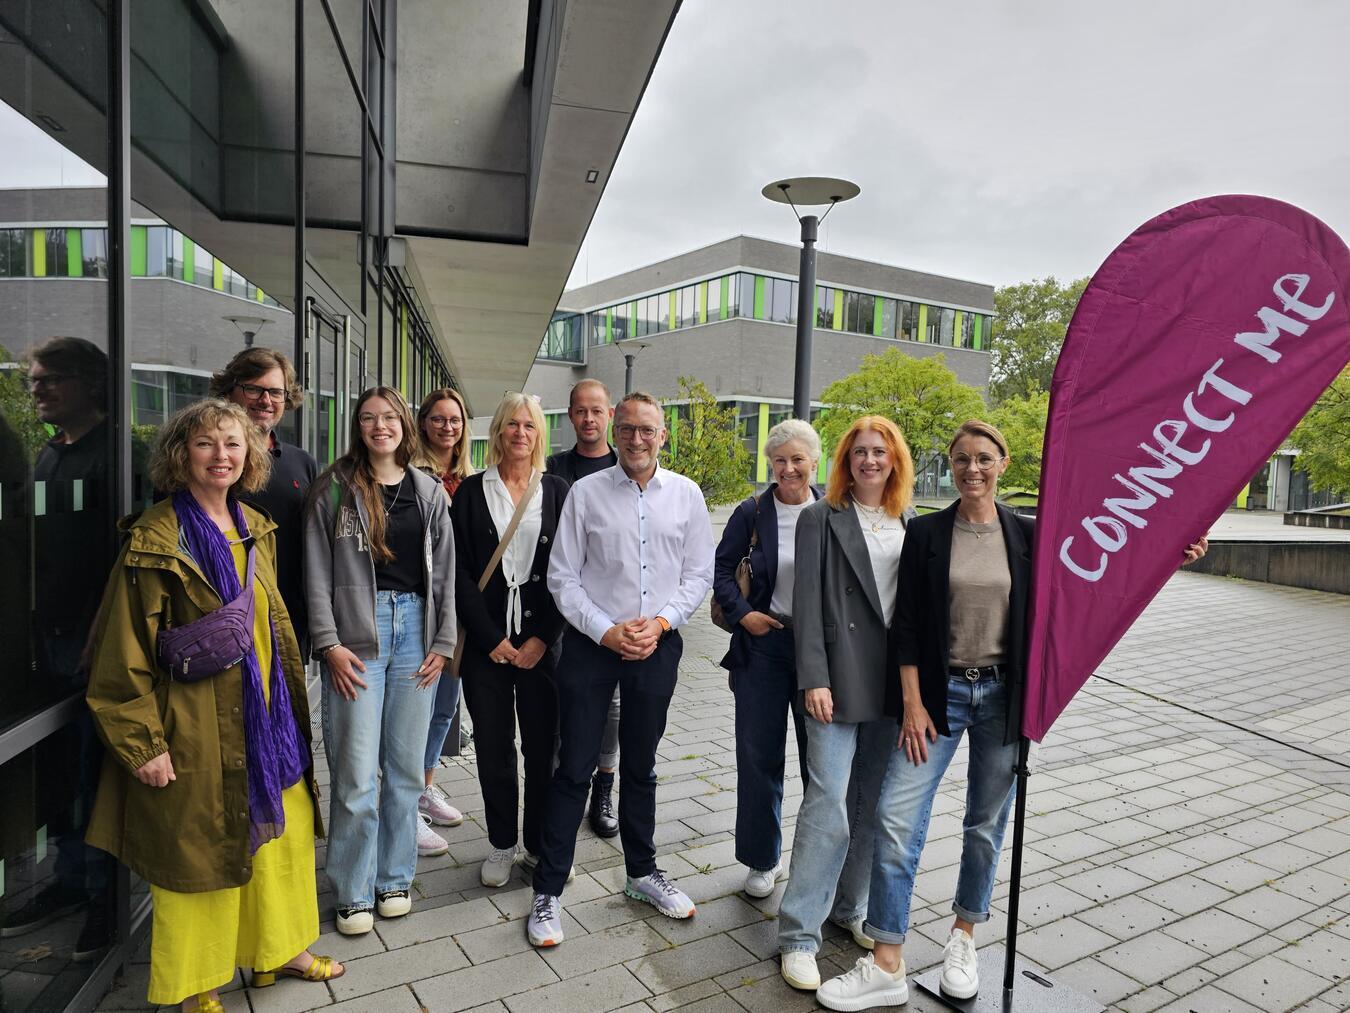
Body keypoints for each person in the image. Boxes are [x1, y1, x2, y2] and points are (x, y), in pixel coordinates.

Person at [815, 420, 1208, 1009]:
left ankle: (964, 937)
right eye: (962, 459)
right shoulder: (925, 534)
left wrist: (1170, 551)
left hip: (1004, 699)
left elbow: (1099, 576)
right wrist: (914, 704)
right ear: (949, 467)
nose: (973, 469)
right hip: (937, 700)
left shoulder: (1032, 535)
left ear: (1003, 464)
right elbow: (908, 627)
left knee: (984, 825)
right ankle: (887, 960)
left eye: (984, 458)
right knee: (897, 820)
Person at [85, 400, 338, 1013]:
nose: (221, 456)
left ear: (251, 456)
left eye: (233, 445)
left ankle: (280, 949)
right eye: (206, 444)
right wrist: (143, 745)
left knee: (284, 830)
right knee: (198, 850)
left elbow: (270, 627)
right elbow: (123, 656)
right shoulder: (154, 539)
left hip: (266, 717)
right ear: (181, 454)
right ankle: (196, 983)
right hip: (195, 723)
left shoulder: (256, 525)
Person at [527, 392, 714, 947]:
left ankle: (641, 872)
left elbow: (697, 574)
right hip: (592, 644)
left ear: (663, 435)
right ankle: (548, 890)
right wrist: (607, 630)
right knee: (574, 766)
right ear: (615, 429)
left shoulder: (686, 495)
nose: (636, 438)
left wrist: (659, 623)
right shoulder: (585, 493)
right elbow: (562, 577)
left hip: (658, 644)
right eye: (627, 428)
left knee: (640, 764)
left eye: (647, 429)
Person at [304, 387, 456, 936]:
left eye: (389, 417)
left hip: (416, 633)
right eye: (367, 417)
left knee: (404, 771)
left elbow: (447, 574)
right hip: (355, 639)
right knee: (354, 772)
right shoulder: (334, 489)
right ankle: (351, 887)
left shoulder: (427, 490)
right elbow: (316, 572)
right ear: (356, 426)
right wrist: (328, 642)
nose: (379, 426)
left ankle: (393, 877)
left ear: (403, 425)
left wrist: (443, 642)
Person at [777, 415, 916, 993]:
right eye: (859, 451)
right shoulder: (820, 517)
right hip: (834, 678)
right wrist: (814, 678)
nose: (869, 460)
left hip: (891, 682)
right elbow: (806, 604)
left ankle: (848, 908)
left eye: (879, 451)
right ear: (844, 461)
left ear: (896, 460)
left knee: (872, 803)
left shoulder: (909, 519)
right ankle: (798, 934)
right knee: (827, 801)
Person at [4, 338, 116, 961]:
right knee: (61, 771)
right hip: (46, 635)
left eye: (49, 380)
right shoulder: (51, 453)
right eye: (33, 381)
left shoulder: (115, 456)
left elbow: (125, 559)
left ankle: (105, 898)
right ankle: (70, 883)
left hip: (91, 639)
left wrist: (99, 632)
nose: (38, 390)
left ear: (87, 382)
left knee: (96, 772)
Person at [451, 393, 568, 886]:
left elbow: (572, 569)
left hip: (543, 640)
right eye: (511, 425)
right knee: (495, 747)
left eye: (529, 425)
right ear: (496, 432)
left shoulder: (559, 491)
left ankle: (540, 846)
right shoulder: (471, 491)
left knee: (544, 748)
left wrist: (543, 637)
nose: (520, 433)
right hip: (487, 642)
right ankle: (502, 843)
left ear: (539, 434)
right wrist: (491, 638)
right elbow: (457, 572)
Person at [712, 418, 819, 899]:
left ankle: (817, 860)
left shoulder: (833, 510)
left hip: (821, 654)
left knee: (823, 763)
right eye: (780, 460)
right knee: (759, 757)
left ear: (814, 462)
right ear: (770, 464)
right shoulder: (752, 511)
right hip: (764, 647)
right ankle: (761, 859)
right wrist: (743, 616)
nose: (789, 468)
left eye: (798, 459)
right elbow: (719, 570)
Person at [544, 378, 621, 839]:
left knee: (612, 710)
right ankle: (564, 785)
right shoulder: (554, 469)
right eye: (580, 411)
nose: (589, 419)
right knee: (560, 705)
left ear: (609, 414)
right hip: (559, 610)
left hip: (609, 619)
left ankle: (604, 788)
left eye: (597, 410)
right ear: (570, 416)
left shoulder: (625, 465)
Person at [210, 347, 319, 658]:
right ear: (230, 390)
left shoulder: (303, 463)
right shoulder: (207, 459)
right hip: (221, 615)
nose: (266, 400)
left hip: (287, 615)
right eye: (253, 389)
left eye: (275, 392)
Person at [411, 387, 474, 857]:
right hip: (420, 608)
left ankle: (425, 786)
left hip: (459, 609)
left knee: (446, 708)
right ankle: (406, 799)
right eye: (438, 419)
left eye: (454, 420)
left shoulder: (468, 478)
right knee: (416, 707)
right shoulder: (409, 475)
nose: (447, 427)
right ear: (423, 422)